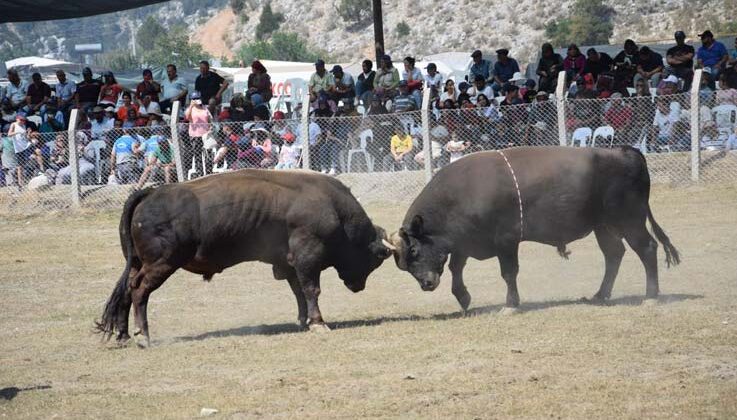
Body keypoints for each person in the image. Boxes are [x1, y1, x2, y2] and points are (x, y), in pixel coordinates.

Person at [185, 91, 213, 177]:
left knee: (208, 153)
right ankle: (199, 172)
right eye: (194, 99)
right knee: (197, 154)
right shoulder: (190, 109)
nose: (197, 100)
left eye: (198, 98)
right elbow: (187, 117)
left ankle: (208, 170)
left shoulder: (205, 108)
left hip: (205, 134)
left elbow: (210, 119)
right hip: (195, 135)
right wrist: (191, 106)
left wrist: (210, 128)